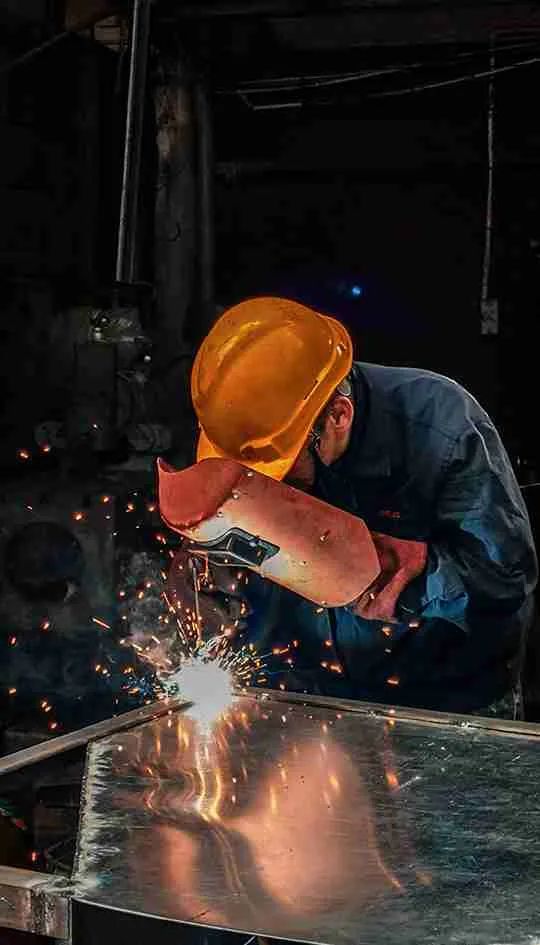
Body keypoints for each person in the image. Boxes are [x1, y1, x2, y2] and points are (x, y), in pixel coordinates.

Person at [189, 296, 538, 717]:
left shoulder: (442, 428)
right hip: (313, 698)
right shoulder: (252, 426)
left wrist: (407, 574)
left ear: (337, 416)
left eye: (280, 467)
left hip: (447, 704)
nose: (267, 483)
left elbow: (506, 581)